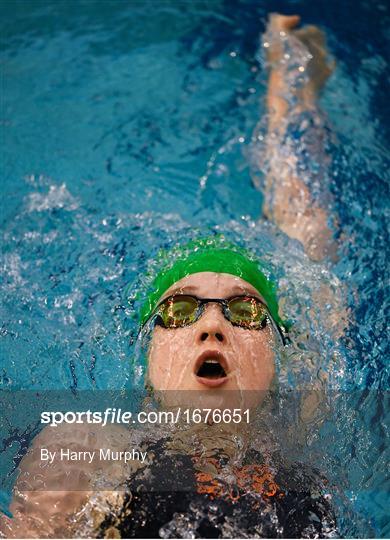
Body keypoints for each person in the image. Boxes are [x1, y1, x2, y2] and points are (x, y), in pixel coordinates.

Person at [0, 13, 340, 539]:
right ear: (148, 356)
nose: (211, 326)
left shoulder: (311, 435)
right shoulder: (89, 454)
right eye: (179, 310)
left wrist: (286, 94)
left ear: (279, 353)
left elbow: (310, 245)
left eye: (246, 311)